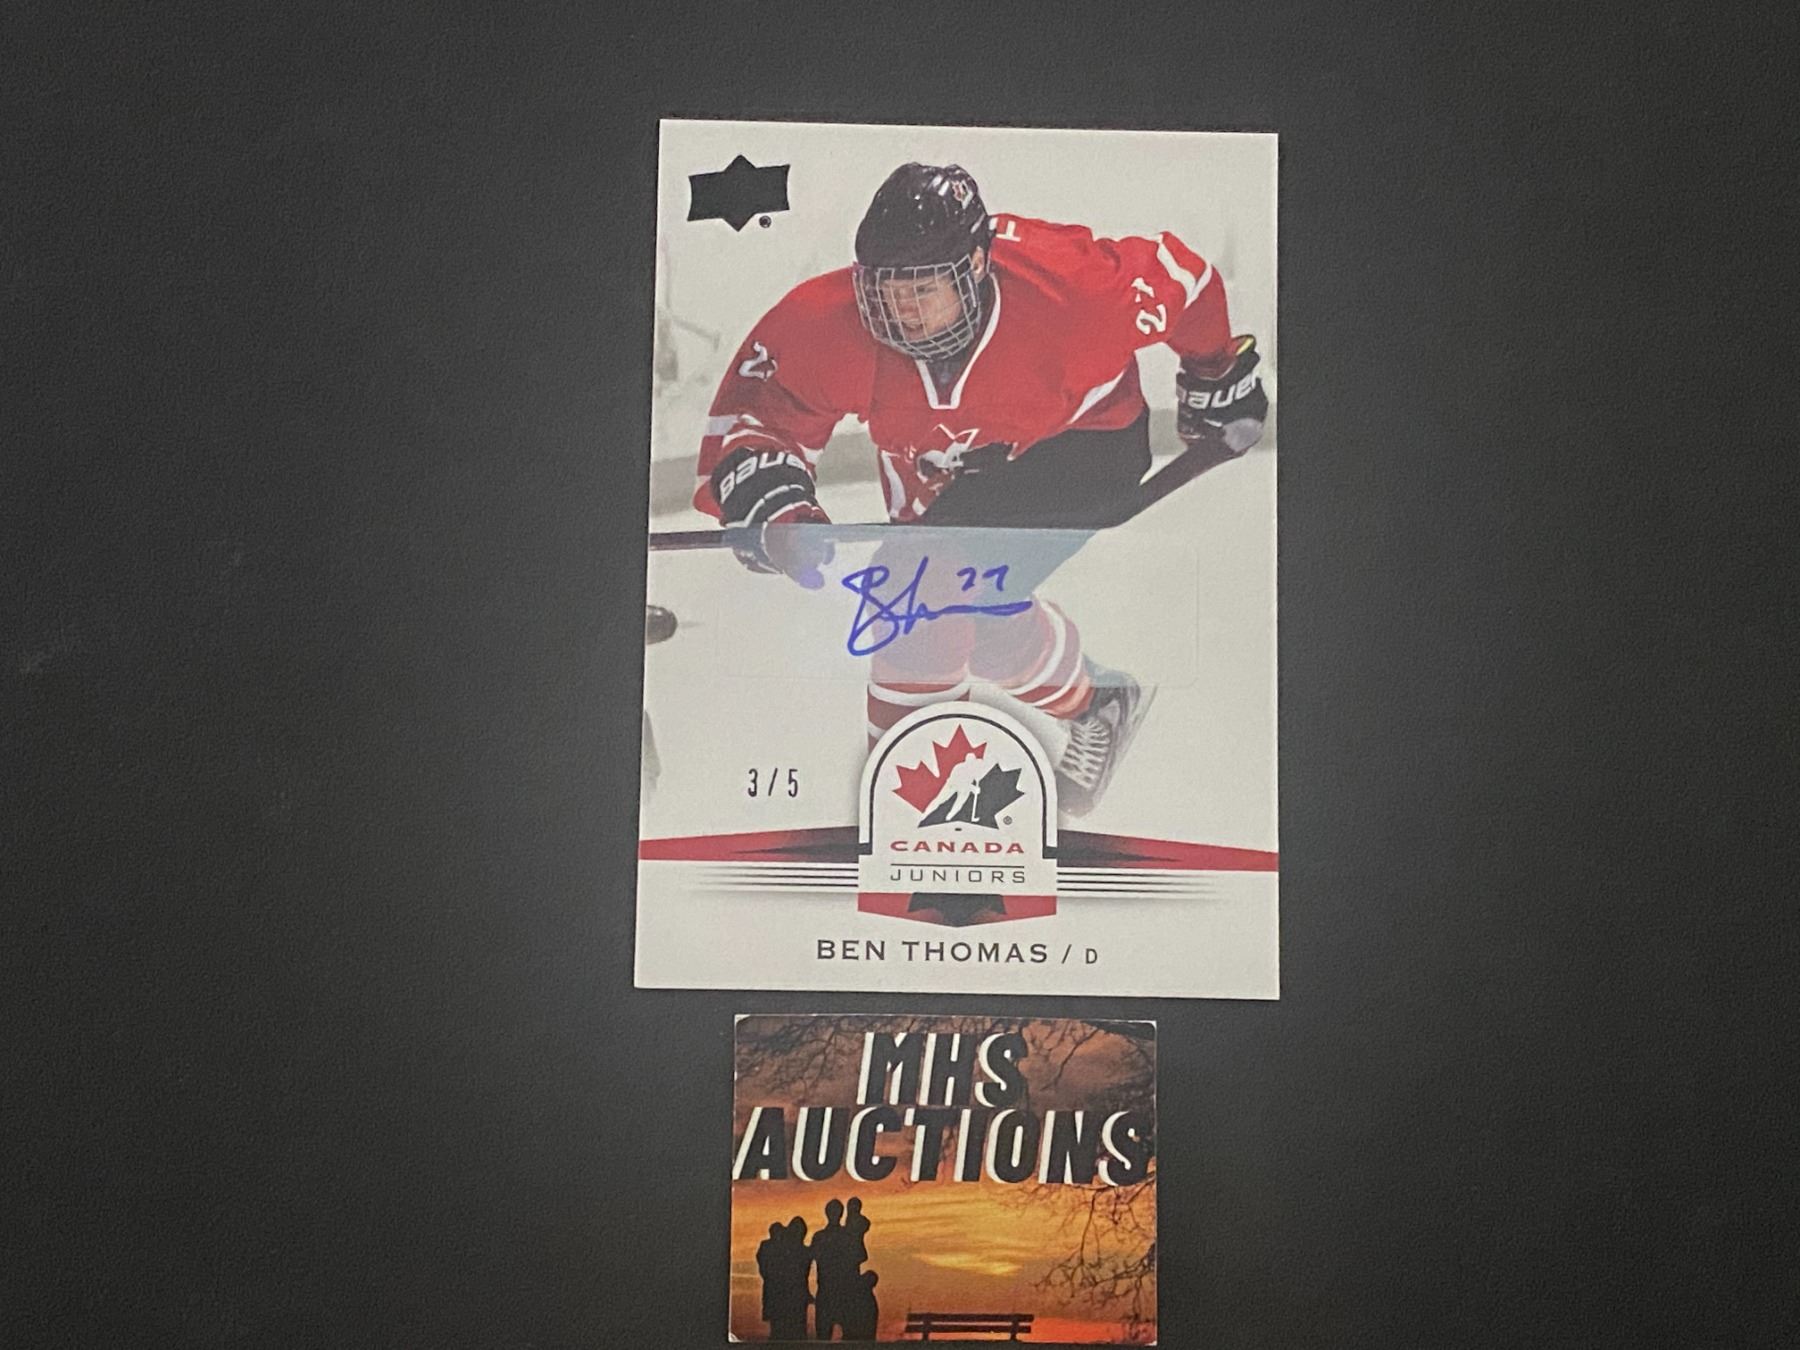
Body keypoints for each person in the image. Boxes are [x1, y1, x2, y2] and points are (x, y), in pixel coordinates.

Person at [692, 162, 1268, 813]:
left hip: (1079, 446)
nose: (902, 315)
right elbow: (762, 415)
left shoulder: (1074, 291)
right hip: (935, 468)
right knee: (973, 626)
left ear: (974, 268)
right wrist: (775, 498)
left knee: (918, 599)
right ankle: (1098, 702)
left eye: (922, 291)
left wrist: (1215, 371)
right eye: (885, 293)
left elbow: (1185, 280)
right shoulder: (831, 322)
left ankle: (914, 807)